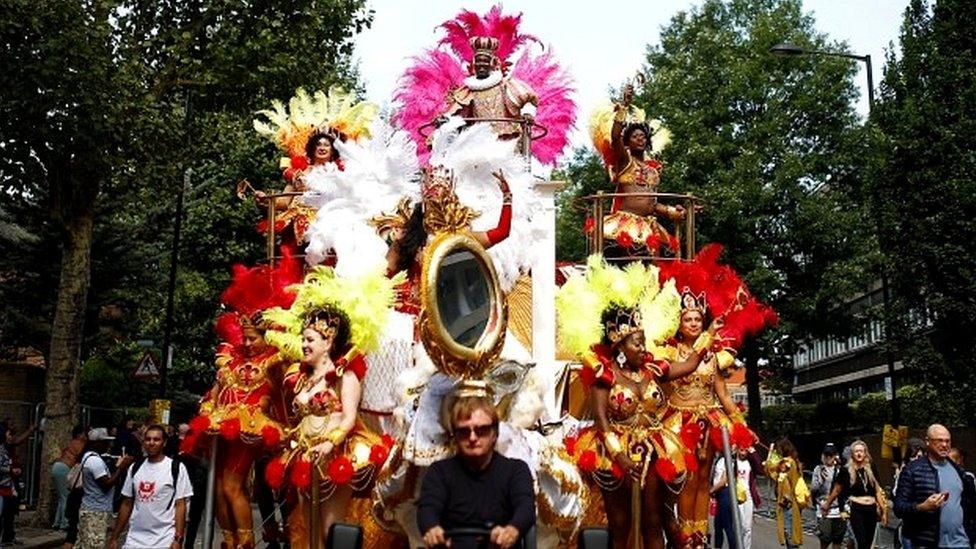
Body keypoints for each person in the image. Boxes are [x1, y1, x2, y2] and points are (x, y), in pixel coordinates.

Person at [261, 266, 398, 548]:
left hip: (334, 454)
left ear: (328, 342)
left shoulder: (344, 375)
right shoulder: (302, 379)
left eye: (310, 340)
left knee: (330, 528)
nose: (304, 345)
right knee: (306, 525)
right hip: (304, 454)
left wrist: (330, 443)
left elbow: (348, 418)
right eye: (303, 339)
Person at [182, 254, 299, 549]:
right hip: (222, 426)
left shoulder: (274, 360)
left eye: (253, 339)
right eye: (243, 338)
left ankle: (246, 543)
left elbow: (289, 367)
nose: (247, 344)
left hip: (250, 429)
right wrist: (208, 409)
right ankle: (231, 541)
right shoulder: (230, 362)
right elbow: (215, 392)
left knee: (232, 485)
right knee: (220, 489)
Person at [658, 290, 745, 547]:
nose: (694, 323)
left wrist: (740, 424)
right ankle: (685, 536)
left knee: (704, 480)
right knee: (688, 478)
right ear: (680, 325)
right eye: (688, 319)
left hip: (709, 420)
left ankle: (700, 535)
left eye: (698, 318)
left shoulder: (715, 356)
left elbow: (724, 394)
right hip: (679, 422)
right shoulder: (670, 354)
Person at [417, 395, 535, 549]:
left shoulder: (516, 470)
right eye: (464, 431)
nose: (472, 437)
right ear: (455, 436)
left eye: (482, 430)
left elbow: (525, 508)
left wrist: (512, 530)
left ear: (495, 434)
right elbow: (428, 508)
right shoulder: (439, 472)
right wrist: (432, 528)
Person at [598, 83, 685, 258]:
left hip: (648, 226)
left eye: (643, 136)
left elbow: (653, 205)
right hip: (625, 224)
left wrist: (672, 211)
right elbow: (615, 138)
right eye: (635, 136)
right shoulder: (625, 161)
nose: (640, 139)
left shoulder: (653, 171)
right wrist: (624, 107)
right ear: (628, 142)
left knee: (660, 263)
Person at [109, 425, 192, 549]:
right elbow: (127, 503)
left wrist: (178, 539)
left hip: (163, 540)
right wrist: (114, 537)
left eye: (156, 439)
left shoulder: (176, 468)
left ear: (164, 442)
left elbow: (180, 505)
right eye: (148, 439)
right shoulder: (135, 468)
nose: (151, 443)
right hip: (134, 540)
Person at [894, 424, 975, 548]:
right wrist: (921, 507)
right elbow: (899, 508)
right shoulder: (912, 470)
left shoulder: (959, 471)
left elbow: (969, 505)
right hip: (929, 543)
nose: (944, 445)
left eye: (947, 441)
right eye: (939, 440)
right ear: (928, 441)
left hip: (961, 542)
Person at [443, 36, 538, 143]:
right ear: (474, 64)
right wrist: (445, 120)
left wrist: (527, 113)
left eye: (485, 61)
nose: (481, 64)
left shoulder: (507, 86)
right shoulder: (467, 92)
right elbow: (456, 114)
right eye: (479, 61)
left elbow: (528, 100)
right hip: (479, 141)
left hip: (508, 140)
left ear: (492, 63)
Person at [820, 440, 887, 549]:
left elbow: (877, 490)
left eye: (861, 451)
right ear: (852, 454)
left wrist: (883, 510)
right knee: (861, 541)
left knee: (868, 542)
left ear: (865, 453)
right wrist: (827, 504)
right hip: (856, 508)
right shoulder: (846, 470)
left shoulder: (870, 468)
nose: (859, 453)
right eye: (856, 451)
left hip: (871, 508)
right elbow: (837, 490)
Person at [76, 428, 133, 549]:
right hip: (96, 510)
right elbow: (106, 484)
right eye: (106, 442)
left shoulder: (88, 457)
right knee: (94, 544)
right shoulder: (94, 461)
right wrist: (120, 468)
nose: (109, 445)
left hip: (91, 507)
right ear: (97, 443)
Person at [712, 445, 763, 549]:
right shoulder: (733, 461)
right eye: (741, 450)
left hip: (748, 497)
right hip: (734, 497)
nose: (743, 453)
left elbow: (760, 469)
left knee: (747, 527)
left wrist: (753, 452)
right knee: (736, 526)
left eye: (745, 451)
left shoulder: (750, 462)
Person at [765, 438, 809, 549]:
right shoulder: (795, 462)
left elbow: (768, 470)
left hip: (788, 504)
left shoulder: (786, 463)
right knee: (792, 535)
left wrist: (770, 452)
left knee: (790, 536)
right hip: (794, 502)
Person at [52, 426, 87, 530]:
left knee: (62, 497)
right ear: (79, 435)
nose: (86, 436)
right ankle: (65, 523)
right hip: (64, 468)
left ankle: (57, 522)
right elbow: (81, 457)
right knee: (66, 496)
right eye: (84, 434)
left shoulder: (71, 443)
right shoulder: (78, 443)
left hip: (57, 466)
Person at [811, 443, 846, 549]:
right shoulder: (819, 469)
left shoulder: (841, 469)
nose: (828, 458)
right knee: (825, 540)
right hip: (824, 510)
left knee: (838, 540)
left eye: (831, 455)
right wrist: (821, 479)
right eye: (826, 454)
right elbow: (813, 488)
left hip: (839, 509)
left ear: (836, 455)